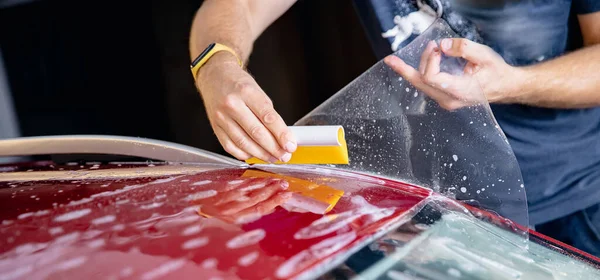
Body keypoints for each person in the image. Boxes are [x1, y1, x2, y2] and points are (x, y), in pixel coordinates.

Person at [189, 0, 600, 255]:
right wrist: (216, 65)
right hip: (442, 206)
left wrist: (513, 83)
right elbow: (234, 6)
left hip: (578, 201)